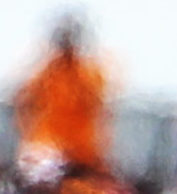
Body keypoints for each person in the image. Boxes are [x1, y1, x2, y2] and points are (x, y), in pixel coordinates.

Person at [9, 17, 108, 173]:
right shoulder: (45, 72)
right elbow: (22, 100)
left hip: (81, 151)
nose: (67, 44)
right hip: (49, 147)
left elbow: (100, 108)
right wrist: (27, 131)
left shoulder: (89, 73)